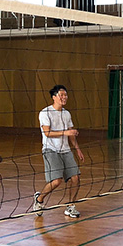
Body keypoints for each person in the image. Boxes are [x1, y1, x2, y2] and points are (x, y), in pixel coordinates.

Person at [32, 85, 84, 218]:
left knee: (75, 178)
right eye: (61, 95)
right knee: (56, 181)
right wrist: (66, 132)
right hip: (50, 149)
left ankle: (71, 206)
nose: (64, 97)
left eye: (65, 95)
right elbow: (47, 133)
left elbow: (71, 134)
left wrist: (77, 149)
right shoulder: (45, 113)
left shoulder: (66, 114)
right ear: (54, 97)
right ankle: (39, 199)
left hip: (65, 150)